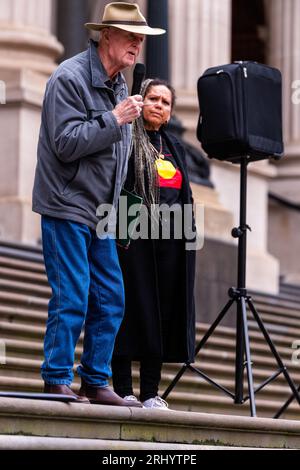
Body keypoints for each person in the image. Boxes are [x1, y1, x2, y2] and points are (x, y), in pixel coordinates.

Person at [32, 3, 165, 406]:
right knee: (72, 294)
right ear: (106, 35)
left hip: (102, 214)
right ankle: (56, 377)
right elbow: (66, 143)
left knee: (111, 298)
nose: (137, 45)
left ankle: (95, 381)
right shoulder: (68, 78)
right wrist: (114, 119)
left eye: (141, 39)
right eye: (130, 36)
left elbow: (119, 158)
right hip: (67, 205)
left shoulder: (121, 86)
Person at [112, 79, 196, 409]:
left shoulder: (175, 146)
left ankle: (150, 392)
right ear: (140, 100)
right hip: (131, 236)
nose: (159, 105)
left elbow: (185, 195)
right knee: (127, 310)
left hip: (169, 242)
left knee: (161, 316)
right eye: (153, 98)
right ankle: (122, 389)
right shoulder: (126, 137)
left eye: (165, 102)